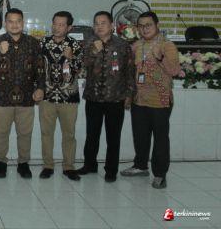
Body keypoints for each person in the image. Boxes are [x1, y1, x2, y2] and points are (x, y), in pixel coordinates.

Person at [121, 11, 181, 189]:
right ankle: (140, 166)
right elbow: (129, 72)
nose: (144, 29)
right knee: (140, 136)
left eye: (148, 25)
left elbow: (174, 70)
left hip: (160, 100)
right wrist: (128, 95)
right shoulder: (136, 46)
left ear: (157, 25)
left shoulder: (167, 46)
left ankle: (160, 174)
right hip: (139, 99)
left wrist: (160, 57)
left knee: (160, 139)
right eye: (141, 26)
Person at [77, 11, 136, 183]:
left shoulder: (122, 45)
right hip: (93, 97)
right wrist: (94, 51)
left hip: (115, 97)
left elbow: (130, 71)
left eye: (103, 23)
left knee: (113, 137)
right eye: (96, 23)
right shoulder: (88, 43)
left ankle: (111, 170)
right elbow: (82, 65)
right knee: (91, 135)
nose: (99, 26)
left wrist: (129, 94)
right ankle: (90, 165)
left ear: (112, 26)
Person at [0, 8, 44, 178]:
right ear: (5, 24)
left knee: (25, 133)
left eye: (18, 21)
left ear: (23, 23)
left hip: (26, 97)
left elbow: (40, 68)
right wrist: (1, 52)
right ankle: (1, 163)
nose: (14, 24)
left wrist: (40, 88)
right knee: (1, 133)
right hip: (3, 97)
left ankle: (23, 163)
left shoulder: (33, 42)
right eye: (10, 21)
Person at [39, 11, 83, 181]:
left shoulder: (75, 44)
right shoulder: (43, 42)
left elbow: (81, 70)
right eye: (54, 24)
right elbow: (37, 68)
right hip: (47, 96)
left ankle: (69, 167)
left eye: (61, 25)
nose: (56, 28)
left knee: (69, 134)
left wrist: (71, 58)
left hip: (68, 97)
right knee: (46, 133)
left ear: (69, 27)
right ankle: (48, 165)